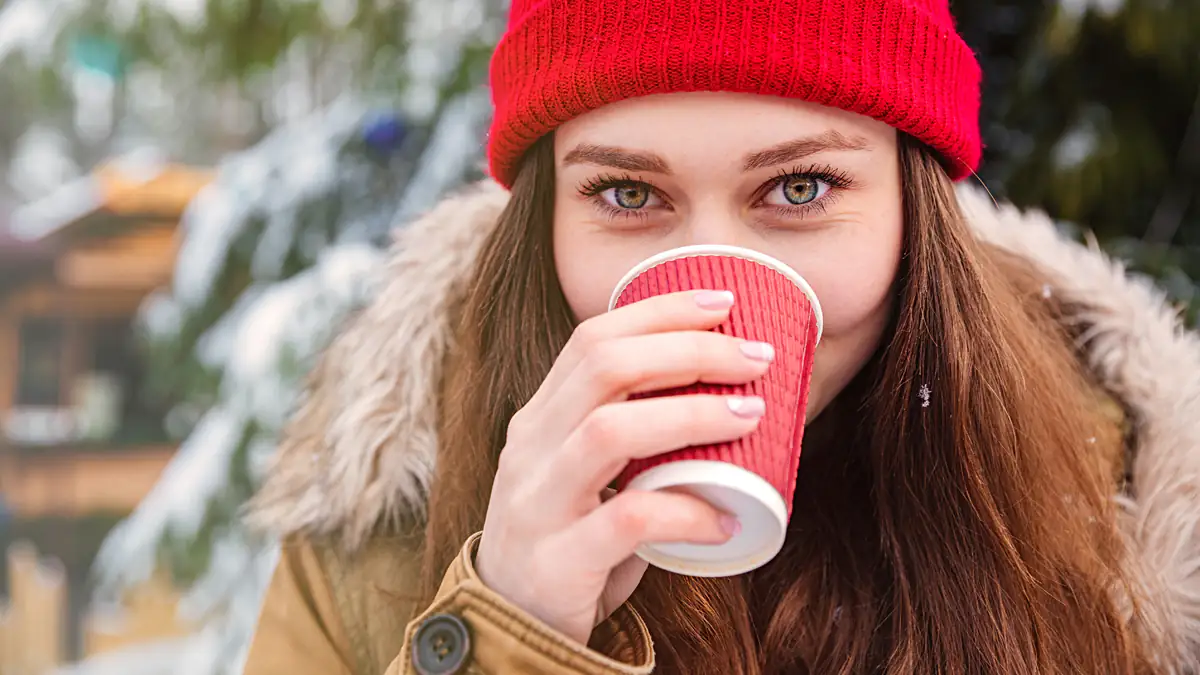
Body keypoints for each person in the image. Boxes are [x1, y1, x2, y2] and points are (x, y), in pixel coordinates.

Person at [242, 1, 1200, 673]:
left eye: (798, 188)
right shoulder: (378, 527)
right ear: (545, 223)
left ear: (915, 212)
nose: (710, 287)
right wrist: (508, 632)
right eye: (628, 193)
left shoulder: (1135, 506)